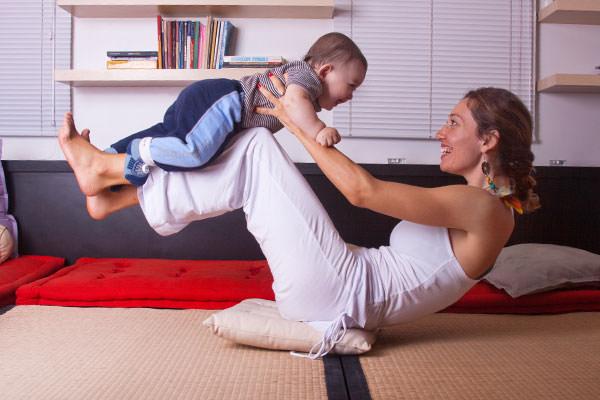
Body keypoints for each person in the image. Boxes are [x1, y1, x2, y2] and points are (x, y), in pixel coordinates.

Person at [57, 77, 539, 358]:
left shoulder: (485, 209)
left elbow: (362, 192)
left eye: (454, 122)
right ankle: (114, 195)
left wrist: (294, 121)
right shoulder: (483, 206)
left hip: (340, 291)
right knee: (249, 149)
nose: (440, 130)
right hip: (345, 281)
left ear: (488, 140)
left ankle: (108, 169)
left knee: (257, 145)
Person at [98, 32, 366, 187]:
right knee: (195, 154)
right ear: (326, 71)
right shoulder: (306, 77)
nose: (351, 96)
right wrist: (319, 129)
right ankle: (139, 151)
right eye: (351, 85)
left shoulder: (307, 88)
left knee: (169, 134)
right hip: (224, 100)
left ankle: (110, 152)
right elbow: (295, 104)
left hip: (214, 101)